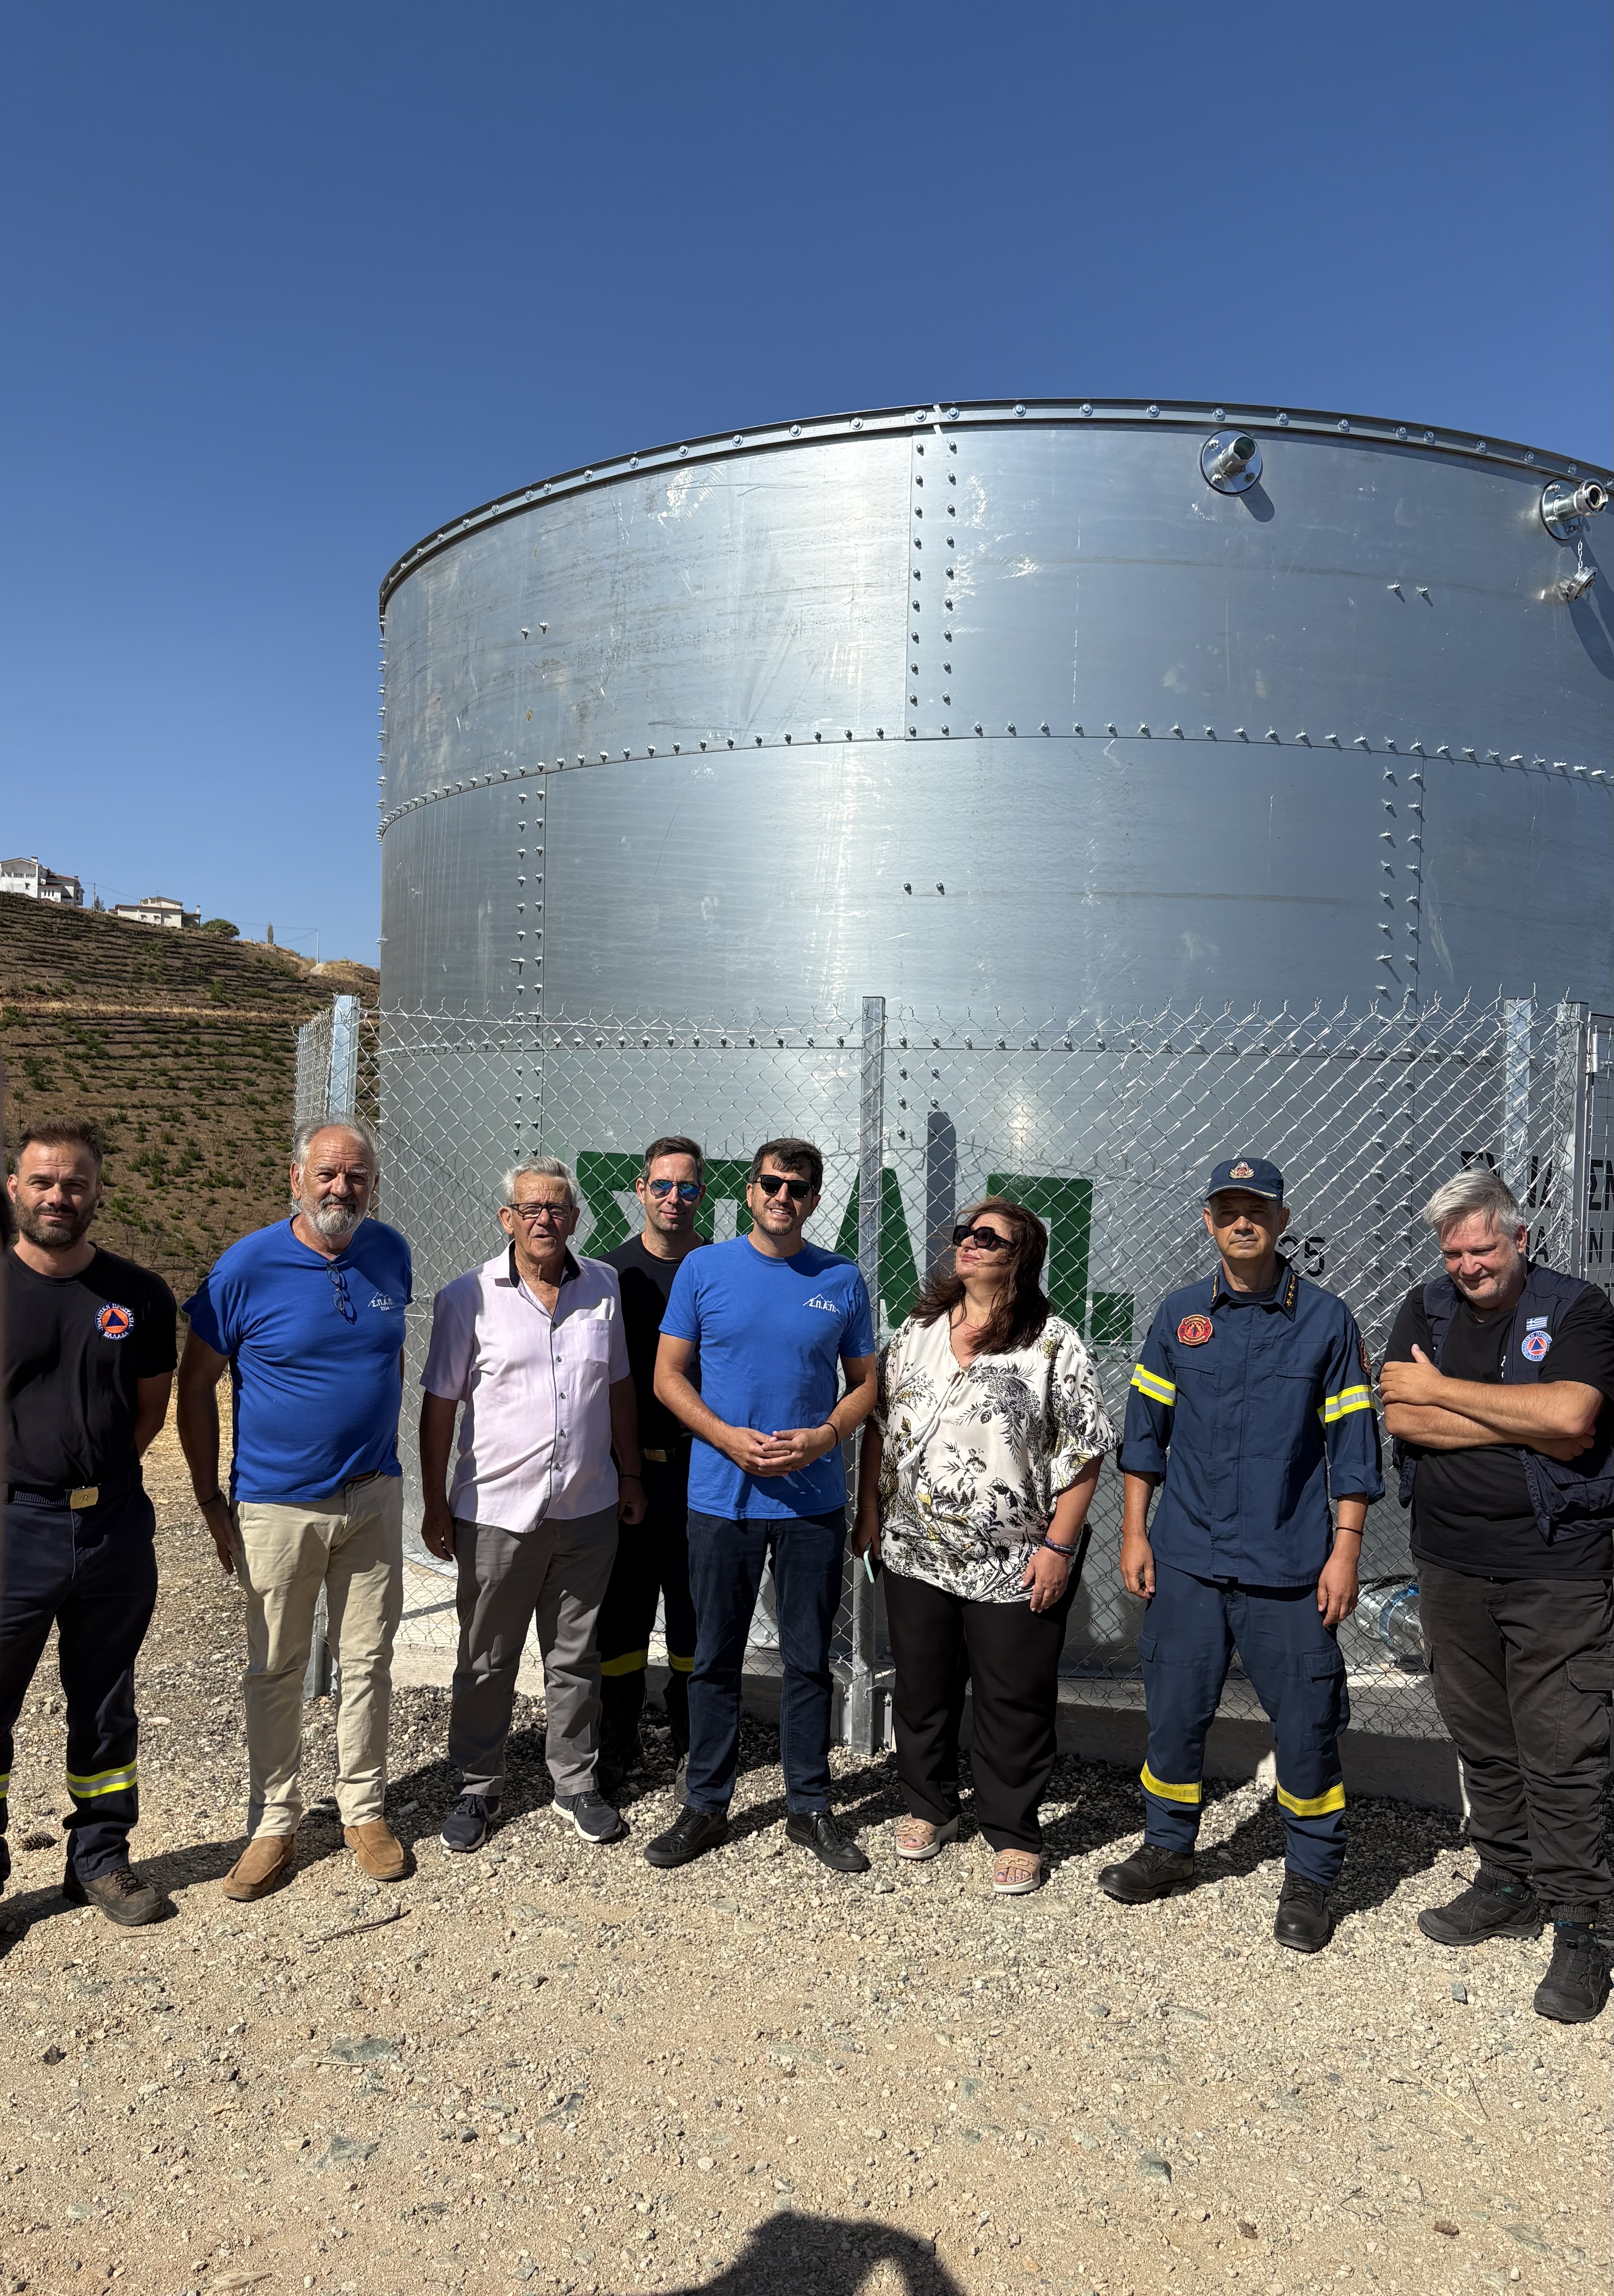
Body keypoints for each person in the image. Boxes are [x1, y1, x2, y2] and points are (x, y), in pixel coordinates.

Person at [1104, 1157, 1382, 1952]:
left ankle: (1311, 1876)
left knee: (1306, 1724)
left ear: (1282, 1220)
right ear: (1208, 1222)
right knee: (1174, 1713)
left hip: (1288, 1565)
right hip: (1187, 1556)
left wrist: (1345, 1552)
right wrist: (1134, 1532)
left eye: (1256, 1208)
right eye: (1227, 1209)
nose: (1241, 1221)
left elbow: (1353, 1448)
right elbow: (1144, 1435)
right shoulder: (1180, 1315)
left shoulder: (1326, 1320)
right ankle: (1168, 1847)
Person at [1380, 1166, 1614, 2024]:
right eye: (1454, 1254)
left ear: (1520, 1238)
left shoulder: (1577, 1308)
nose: (1469, 1266)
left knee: (1564, 1746)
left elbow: (1572, 1419)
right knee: (1482, 1736)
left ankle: (1583, 1921)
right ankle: (1508, 1879)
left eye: (1482, 1249)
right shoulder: (1425, 1308)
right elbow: (1401, 1416)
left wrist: (1444, 1392)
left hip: (1556, 1567)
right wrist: (1519, 1417)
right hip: (1449, 1563)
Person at [177, 1115, 412, 1900]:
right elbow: (194, 1385)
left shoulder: (390, 1252)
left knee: (369, 1660)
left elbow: (387, 1355)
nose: (342, 1188)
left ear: (373, 1185)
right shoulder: (245, 1266)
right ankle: (274, 1822)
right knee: (275, 1666)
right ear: (297, 1179)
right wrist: (209, 1497)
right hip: (277, 1505)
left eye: (357, 1176)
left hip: (373, 1495)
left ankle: (364, 1810)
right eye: (328, 1174)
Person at [853, 1198, 1111, 1894]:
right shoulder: (916, 1331)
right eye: (964, 1233)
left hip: (1013, 1557)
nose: (968, 1243)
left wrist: (1059, 1547)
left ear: (1021, 1255)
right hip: (914, 1548)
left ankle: (1014, 1831)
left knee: (1012, 1699)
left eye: (987, 1237)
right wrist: (869, 1509)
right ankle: (930, 1805)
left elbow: (1085, 1448)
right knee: (921, 1687)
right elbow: (879, 1423)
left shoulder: (1052, 1342)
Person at [645, 1138, 878, 1874]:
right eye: (771, 1183)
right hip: (722, 1499)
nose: (783, 1196)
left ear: (814, 1200)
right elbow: (667, 1376)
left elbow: (866, 1385)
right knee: (714, 1658)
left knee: (809, 1660)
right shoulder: (704, 1269)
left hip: (812, 1503)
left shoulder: (840, 1278)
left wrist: (824, 1437)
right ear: (749, 1192)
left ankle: (809, 1805)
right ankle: (706, 1804)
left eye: (798, 1187)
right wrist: (723, 1437)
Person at [420, 1158, 645, 1851]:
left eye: (556, 1208)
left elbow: (618, 1388)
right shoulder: (467, 1297)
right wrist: (435, 1503)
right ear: (507, 1219)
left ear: (575, 1218)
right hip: (496, 1511)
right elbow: (439, 1406)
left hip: (586, 1507)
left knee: (574, 1656)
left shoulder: (602, 1286)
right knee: (486, 1658)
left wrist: (630, 1475)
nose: (544, 1219)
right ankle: (477, 1784)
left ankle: (574, 1782)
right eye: (530, 1209)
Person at [2, 1119, 176, 1927]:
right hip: (12, 1528)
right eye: (42, 1182)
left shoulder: (139, 1294)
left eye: (74, 1183)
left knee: (106, 1703)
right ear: (14, 1188)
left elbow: (149, 1411)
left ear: (98, 1191)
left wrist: (93, 1480)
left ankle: (100, 1858)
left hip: (112, 1527)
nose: (58, 1197)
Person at [595, 1136, 706, 1798]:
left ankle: (693, 1744)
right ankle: (618, 1741)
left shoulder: (719, 1268)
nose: (673, 1198)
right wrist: (622, 1469)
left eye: (687, 1188)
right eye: (661, 1185)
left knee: (694, 1615)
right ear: (640, 1190)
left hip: (702, 1472)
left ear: (702, 1195)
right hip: (626, 1473)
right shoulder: (609, 1276)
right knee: (623, 1613)